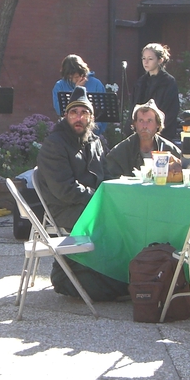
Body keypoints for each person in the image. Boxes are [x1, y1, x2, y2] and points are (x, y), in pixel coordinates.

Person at [36, 87, 126, 301]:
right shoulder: (54, 145)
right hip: (66, 209)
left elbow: (107, 175)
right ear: (66, 116)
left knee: (130, 215)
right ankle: (112, 276)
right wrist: (100, 199)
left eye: (83, 113)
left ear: (91, 117)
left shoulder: (94, 142)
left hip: (90, 205)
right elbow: (65, 190)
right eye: (74, 113)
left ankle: (129, 272)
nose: (79, 118)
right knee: (116, 223)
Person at [104, 100, 181, 179]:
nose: (144, 126)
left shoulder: (169, 149)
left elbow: (187, 171)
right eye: (141, 121)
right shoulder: (120, 152)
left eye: (149, 121)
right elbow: (109, 179)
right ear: (135, 124)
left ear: (158, 124)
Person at [131, 43, 180, 141]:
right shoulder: (141, 82)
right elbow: (134, 107)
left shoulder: (168, 82)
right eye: (144, 58)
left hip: (162, 134)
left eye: (150, 59)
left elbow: (170, 110)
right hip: (140, 133)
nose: (146, 62)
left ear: (160, 60)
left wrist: (156, 128)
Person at [52, 54, 109, 136]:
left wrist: (94, 130)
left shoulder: (96, 84)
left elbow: (103, 113)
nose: (73, 79)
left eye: (76, 76)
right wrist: (76, 90)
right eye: (70, 77)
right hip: (68, 133)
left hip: (93, 131)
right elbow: (59, 110)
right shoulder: (60, 85)